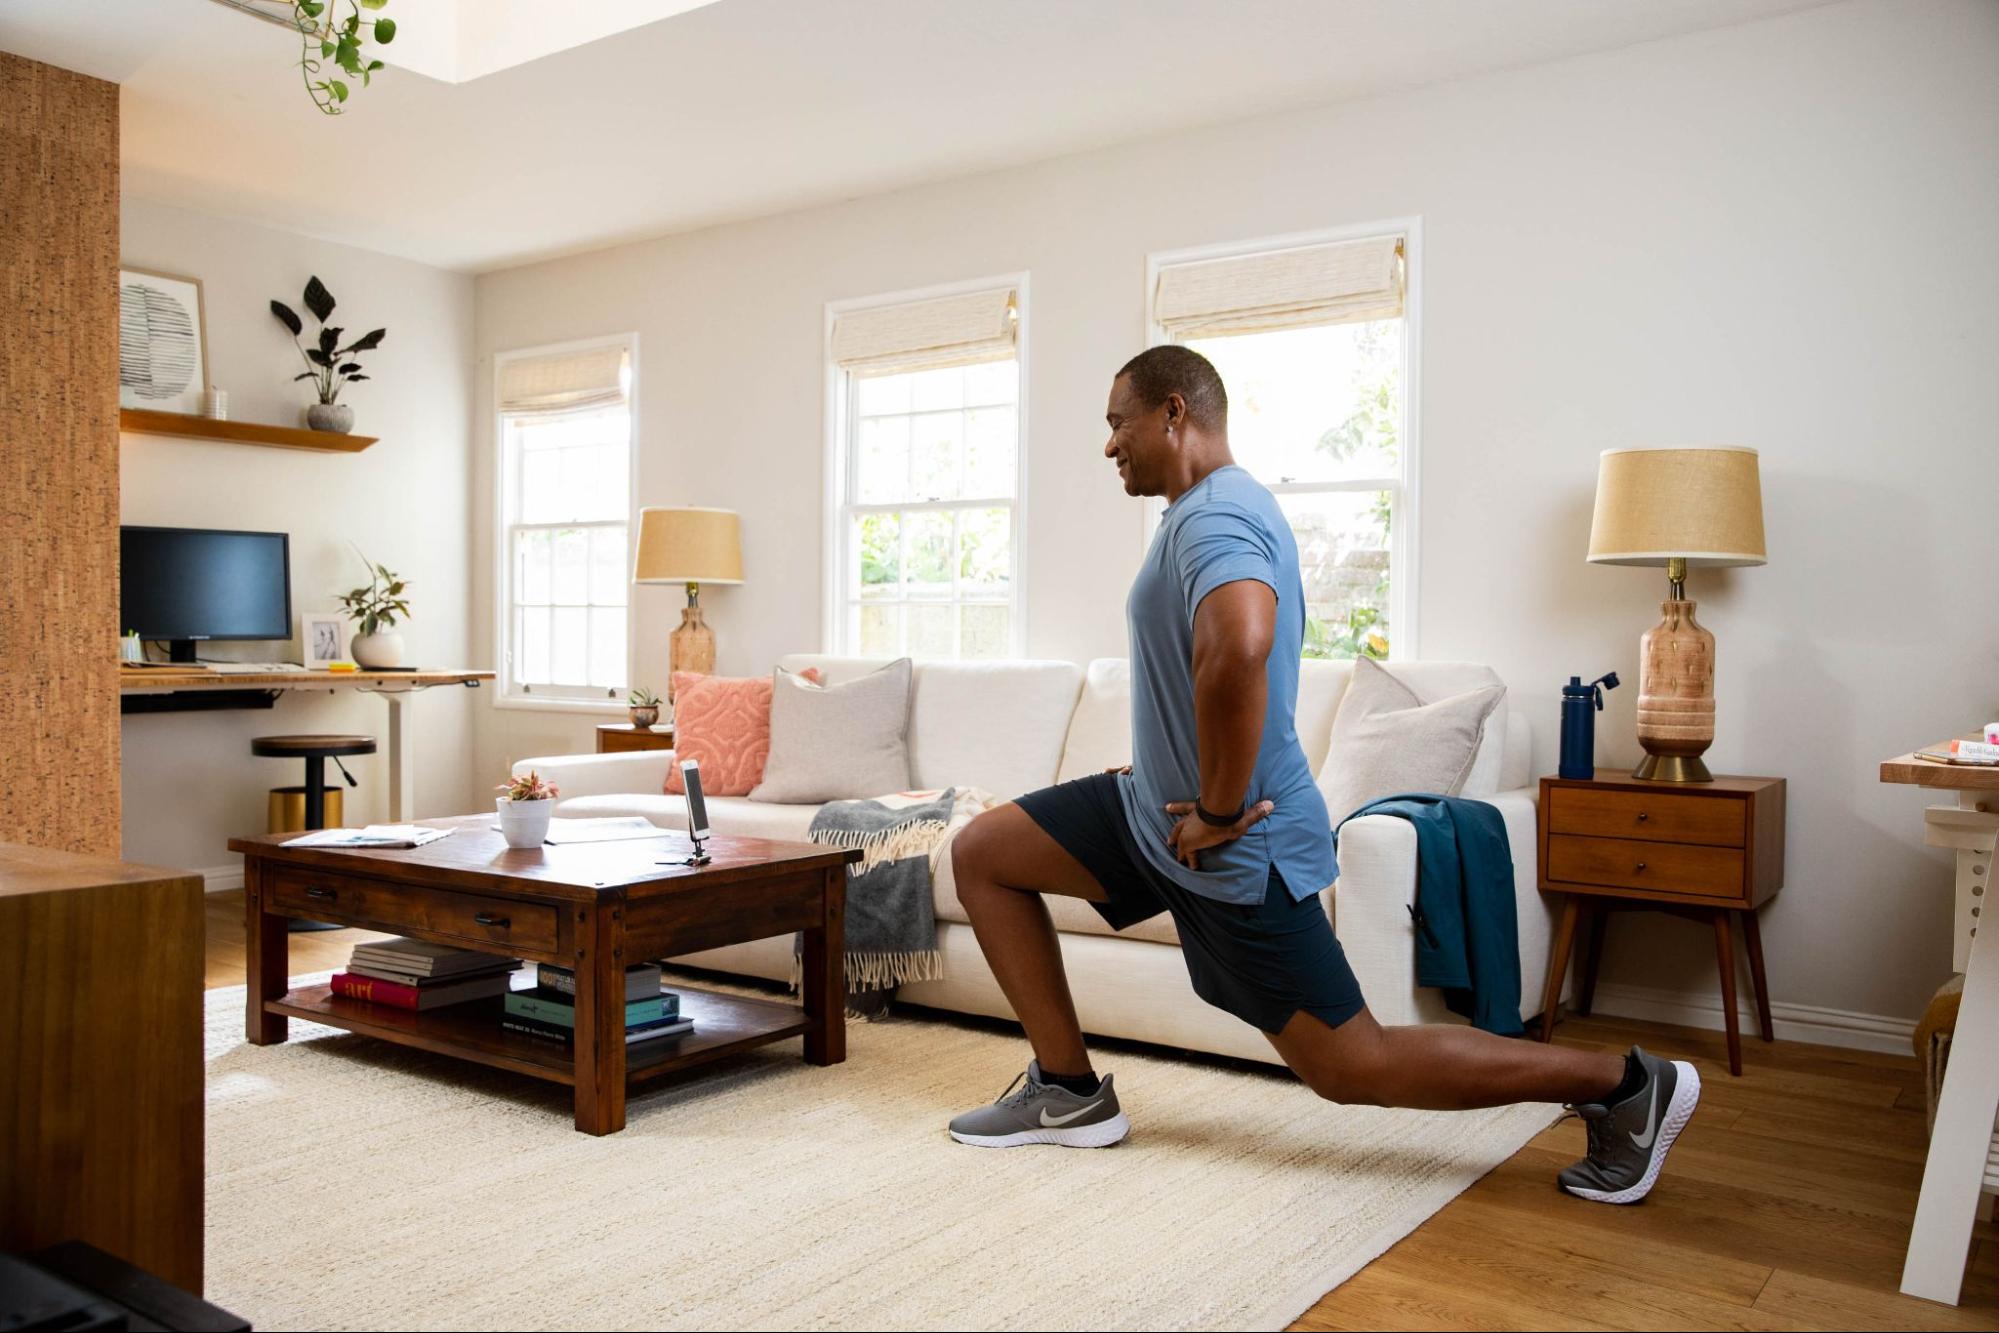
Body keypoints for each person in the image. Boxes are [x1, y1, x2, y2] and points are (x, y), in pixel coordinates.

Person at [943, 345, 1699, 1204]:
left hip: (1230, 843)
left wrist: (1221, 803)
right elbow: (1200, 664)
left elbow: (1241, 646)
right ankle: (1067, 1091)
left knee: (1351, 1063)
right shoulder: (1198, 512)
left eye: (1118, 422)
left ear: (1174, 413)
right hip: (1149, 811)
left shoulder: (1214, 516)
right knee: (985, 853)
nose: (1109, 445)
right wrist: (1165, 760)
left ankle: (1626, 1084)